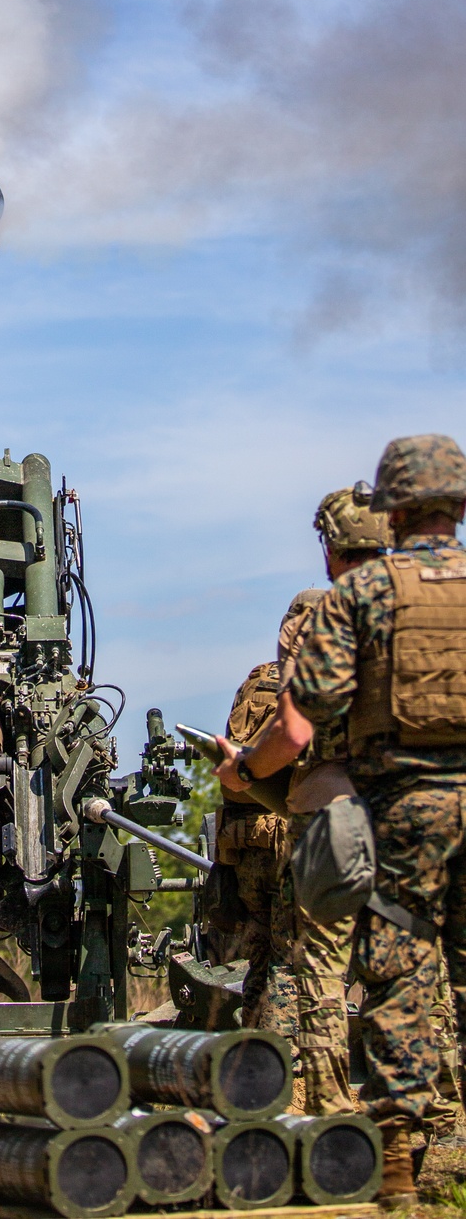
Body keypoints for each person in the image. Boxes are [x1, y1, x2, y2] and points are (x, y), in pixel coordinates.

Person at [287, 435, 466, 1206]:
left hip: (404, 811)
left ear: (389, 507)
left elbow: (313, 706)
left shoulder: (361, 596)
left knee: (399, 973)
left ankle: (396, 1162)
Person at [215, 602, 322, 1064]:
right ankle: (281, 1060)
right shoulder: (325, 682)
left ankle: (251, 1050)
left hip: (246, 842)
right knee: (289, 955)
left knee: (258, 949)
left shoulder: (256, 680)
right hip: (291, 837)